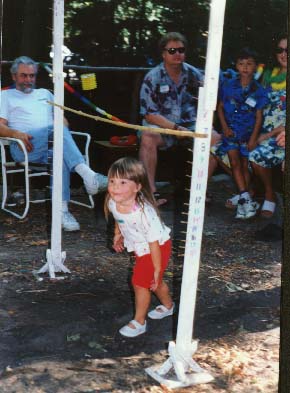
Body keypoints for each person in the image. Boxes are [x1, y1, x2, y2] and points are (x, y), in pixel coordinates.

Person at [0, 56, 107, 231]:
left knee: (60, 151)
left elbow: (63, 122)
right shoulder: (5, 96)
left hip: (51, 143)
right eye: (23, 76)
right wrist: (15, 133)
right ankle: (88, 175)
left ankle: (62, 211)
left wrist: (57, 127)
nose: (28, 80)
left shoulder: (45, 93)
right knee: (57, 135)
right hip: (25, 147)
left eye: (32, 76)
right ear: (13, 76)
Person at [104, 157, 174, 337]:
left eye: (122, 182)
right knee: (153, 283)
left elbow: (154, 243)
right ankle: (168, 306)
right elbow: (119, 220)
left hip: (157, 248)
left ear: (137, 187)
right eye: (112, 181)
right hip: (141, 248)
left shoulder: (144, 214)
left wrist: (158, 270)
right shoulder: (113, 202)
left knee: (139, 282)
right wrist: (117, 235)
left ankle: (139, 321)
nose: (115, 187)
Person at [138, 32, 204, 205]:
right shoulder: (152, 77)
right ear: (163, 53)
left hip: (190, 126)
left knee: (215, 139)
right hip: (163, 127)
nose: (177, 54)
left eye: (181, 50)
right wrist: (176, 129)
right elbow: (149, 114)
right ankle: (151, 193)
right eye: (172, 50)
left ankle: (196, 190)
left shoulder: (195, 75)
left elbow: (209, 102)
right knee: (147, 137)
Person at [217, 48, 269, 219]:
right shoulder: (228, 85)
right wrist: (224, 127)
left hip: (248, 134)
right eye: (241, 64)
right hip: (231, 132)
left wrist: (254, 138)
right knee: (234, 162)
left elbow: (259, 117)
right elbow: (220, 108)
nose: (245, 67)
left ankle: (243, 202)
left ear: (255, 67)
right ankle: (245, 198)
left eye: (249, 64)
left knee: (245, 164)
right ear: (236, 66)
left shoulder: (259, 90)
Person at [249, 34, 287, 218]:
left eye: (288, 50)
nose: (284, 54)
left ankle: (269, 195)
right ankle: (251, 192)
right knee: (231, 148)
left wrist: (266, 135)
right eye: (280, 50)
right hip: (265, 131)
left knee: (256, 155)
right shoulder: (269, 76)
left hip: (280, 136)